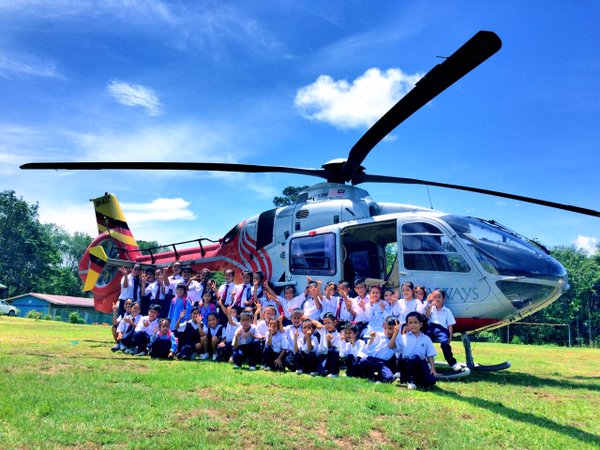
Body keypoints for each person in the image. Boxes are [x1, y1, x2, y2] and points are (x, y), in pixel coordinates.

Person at [399, 312, 438, 389]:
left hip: (420, 363)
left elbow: (430, 355)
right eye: (410, 323)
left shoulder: (426, 339)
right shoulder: (403, 338)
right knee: (413, 358)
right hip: (407, 364)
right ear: (407, 325)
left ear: (421, 324)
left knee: (431, 381)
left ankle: (417, 379)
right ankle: (410, 380)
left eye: (415, 322)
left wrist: (433, 369)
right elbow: (395, 349)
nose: (413, 325)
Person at [425, 289, 461, 371]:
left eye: (439, 297)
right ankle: (428, 361)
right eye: (435, 297)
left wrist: (450, 335)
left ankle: (453, 363)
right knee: (425, 341)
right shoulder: (432, 309)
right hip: (432, 327)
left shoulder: (447, 311)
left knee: (445, 343)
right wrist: (430, 306)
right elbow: (427, 317)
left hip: (442, 330)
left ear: (443, 299)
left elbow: (450, 325)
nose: (437, 299)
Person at [356, 316, 400, 383]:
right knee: (362, 362)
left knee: (389, 378)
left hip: (383, 362)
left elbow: (391, 346)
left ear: (396, 329)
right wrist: (372, 338)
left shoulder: (396, 339)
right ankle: (371, 376)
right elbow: (369, 348)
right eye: (385, 328)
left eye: (390, 328)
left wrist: (396, 333)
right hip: (372, 359)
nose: (388, 331)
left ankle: (378, 378)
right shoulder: (379, 335)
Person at [317, 312, 341, 377]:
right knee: (321, 373)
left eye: (329, 323)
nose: (327, 325)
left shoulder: (338, 336)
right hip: (322, 356)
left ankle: (334, 373)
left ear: (335, 322)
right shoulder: (323, 329)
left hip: (330, 356)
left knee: (334, 351)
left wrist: (329, 341)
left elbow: (333, 351)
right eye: (325, 323)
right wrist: (320, 325)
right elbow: (314, 322)